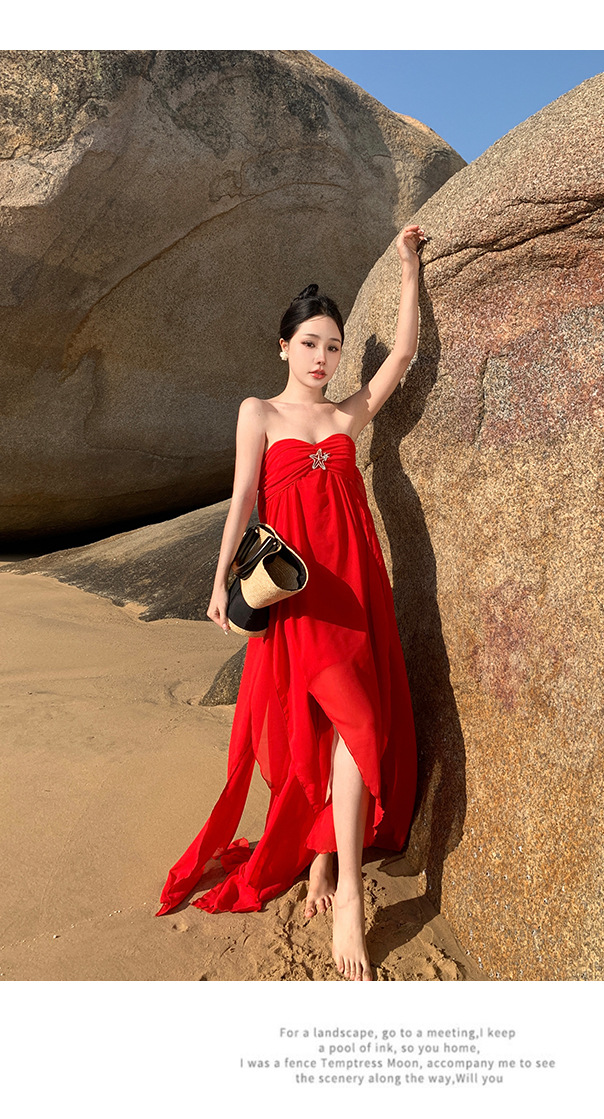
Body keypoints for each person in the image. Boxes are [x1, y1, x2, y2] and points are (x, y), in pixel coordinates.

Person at [156, 224, 425, 981]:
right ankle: (333, 879)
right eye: (310, 343)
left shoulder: (345, 417)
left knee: (351, 724)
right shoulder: (260, 413)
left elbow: (403, 355)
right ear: (284, 347)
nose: (322, 358)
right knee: (323, 724)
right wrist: (218, 582)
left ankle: (333, 876)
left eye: (333, 347)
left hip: (355, 589)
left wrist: (409, 267)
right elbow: (243, 497)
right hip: (298, 596)